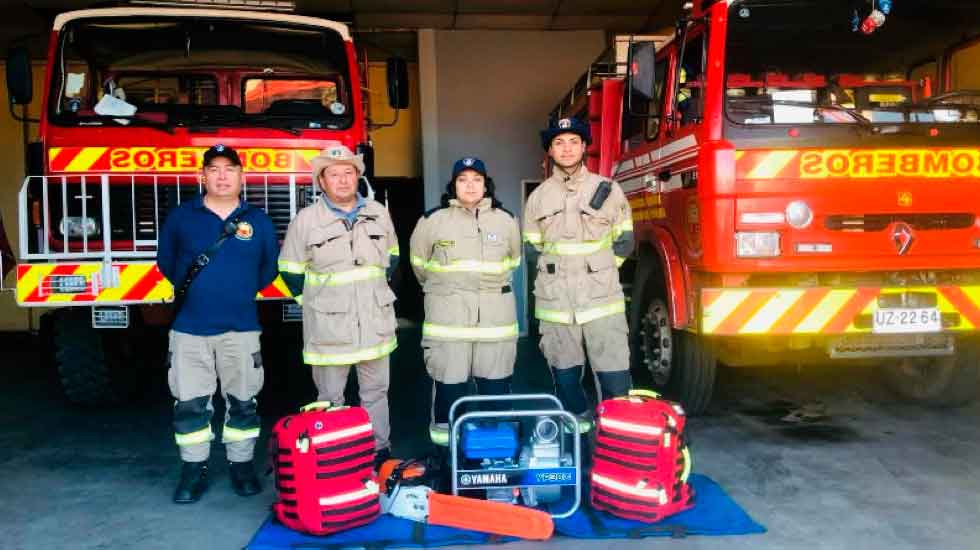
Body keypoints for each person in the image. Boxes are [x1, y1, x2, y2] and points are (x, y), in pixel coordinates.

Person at [157, 144, 279, 503]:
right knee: (190, 404)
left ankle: (241, 468)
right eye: (214, 169)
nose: (222, 175)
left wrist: (235, 291)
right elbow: (167, 262)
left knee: (243, 402)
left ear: (242, 176)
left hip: (241, 329)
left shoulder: (258, 220)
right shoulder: (182, 217)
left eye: (230, 169)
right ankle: (193, 470)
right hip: (189, 330)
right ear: (202, 176)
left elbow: (267, 269)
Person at [278, 143, 399, 465]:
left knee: (375, 395)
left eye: (349, 173)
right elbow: (289, 271)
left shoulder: (378, 213)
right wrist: (315, 303)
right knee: (330, 399)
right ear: (322, 181)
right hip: (329, 331)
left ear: (358, 176)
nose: (343, 180)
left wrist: (375, 294)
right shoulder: (306, 220)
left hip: (375, 324)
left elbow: (394, 258)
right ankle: (336, 457)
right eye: (334, 174)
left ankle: (378, 452)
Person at [523, 117, 635, 432]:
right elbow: (533, 250)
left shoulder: (609, 190)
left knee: (614, 382)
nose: (567, 148)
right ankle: (579, 448)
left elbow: (625, 242)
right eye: (559, 142)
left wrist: (599, 274)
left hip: (602, 304)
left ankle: (616, 445)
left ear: (585, 147)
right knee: (566, 383)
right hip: (557, 306)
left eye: (573, 141)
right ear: (550, 151)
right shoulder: (538, 198)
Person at [409, 157, 521, 448]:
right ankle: (445, 457)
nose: (470, 185)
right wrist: (446, 290)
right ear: (453, 185)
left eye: (476, 179)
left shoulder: (506, 220)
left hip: (494, 326)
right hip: (449, 325)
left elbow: (513, 262)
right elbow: (419, 267)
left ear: (486, 185)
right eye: (463, 179)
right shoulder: (432, 221)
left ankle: (493, 455)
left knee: (494, 395)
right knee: (449, 395)